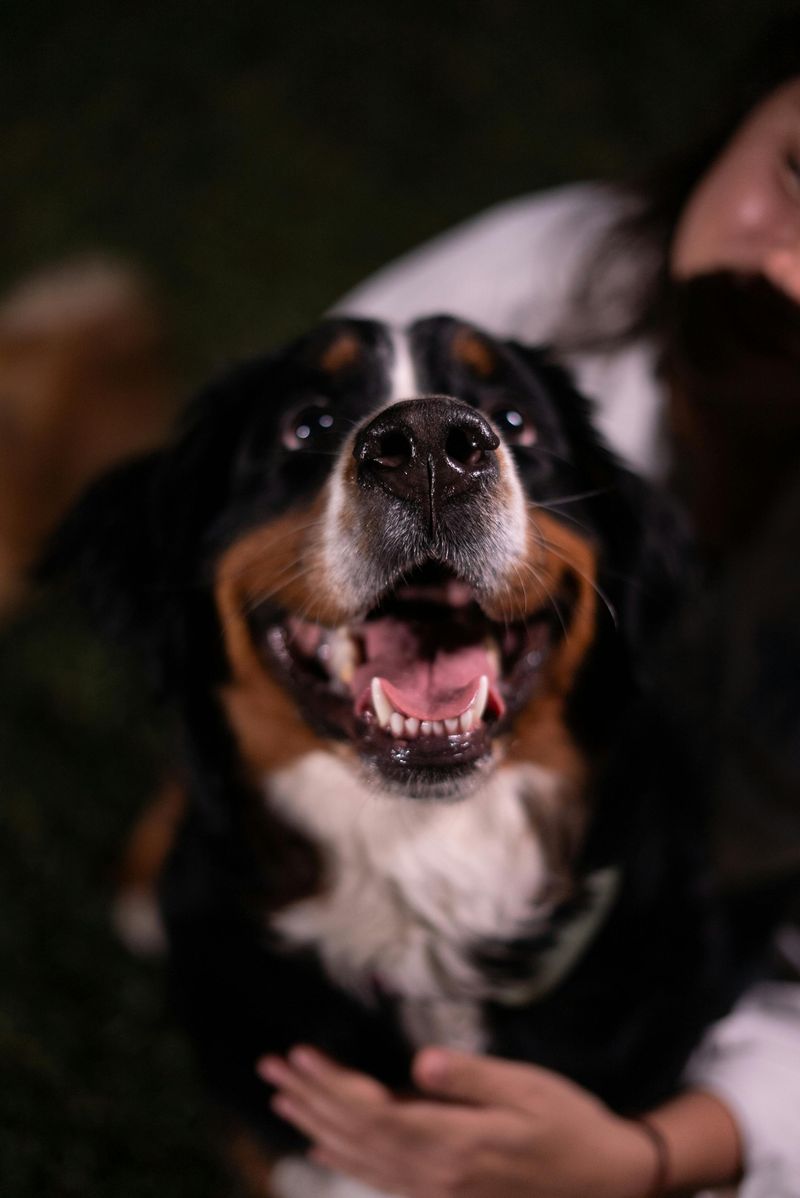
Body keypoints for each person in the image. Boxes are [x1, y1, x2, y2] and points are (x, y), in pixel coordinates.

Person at [261, 25, 800, 1198]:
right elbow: (278, 510)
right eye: (794, 175)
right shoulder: (535, 282)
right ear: (744, 112)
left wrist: (645, 1155)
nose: (787, 273)